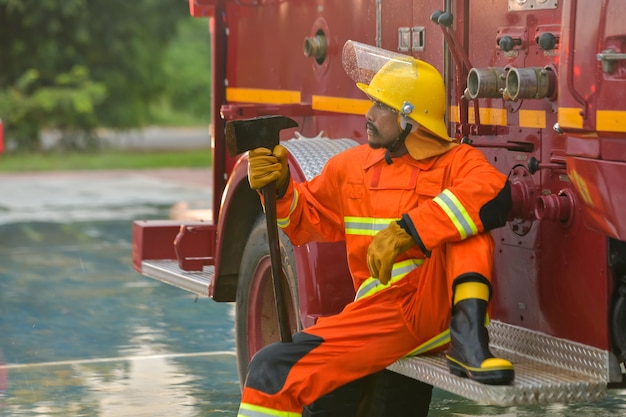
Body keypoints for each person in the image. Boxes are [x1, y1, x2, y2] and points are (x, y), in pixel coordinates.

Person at [238, 46, 514, 417]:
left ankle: (469, 340)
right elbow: (303, 221)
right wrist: (281, 188)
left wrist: (410, 230)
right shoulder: (351, 166)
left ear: (409, 118)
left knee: (469, 223)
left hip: (434, 306)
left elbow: (495, 193)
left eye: (381, 106)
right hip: (378, 314)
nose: (368, 115)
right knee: (270, 372)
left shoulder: (456, 163)